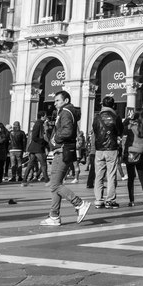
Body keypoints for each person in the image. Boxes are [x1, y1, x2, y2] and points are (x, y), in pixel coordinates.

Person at [38, 90, 92, 226]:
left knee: (55, 184)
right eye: (55, 100)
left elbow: (67, 131)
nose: (55, 103)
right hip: (64, 150)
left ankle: (79, 203)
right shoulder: (67, 112)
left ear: (66, 100)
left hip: (62, 151)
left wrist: (55, 138)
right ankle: (54, 216)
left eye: (58, 100)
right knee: (56, 184)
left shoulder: (66, 112)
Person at [92, 95, 123, 207]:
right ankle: (110, 200)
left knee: (99, 175)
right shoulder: (116, 117)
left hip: (99, 149)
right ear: (113, 105)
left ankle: (98, 200)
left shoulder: (97, 117)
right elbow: (120, 131)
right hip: (111, 148)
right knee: (111, 175)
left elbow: (95, 130)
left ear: (103, 105)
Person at [123, 107, 143, 206]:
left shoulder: (131, 127)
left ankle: (132, 201)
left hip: (131, 152)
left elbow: (123, 127)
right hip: (141, 153)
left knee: (131, 178)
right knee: (142, 177)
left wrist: (129, 119)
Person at [25, 115, 49, 184]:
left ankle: (24, 179)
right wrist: (43, 142)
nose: (45, 117)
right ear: (41, 117)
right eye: (44, 116)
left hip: (34, 147)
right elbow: (34, 137)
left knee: (30, 164)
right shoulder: (38, 124)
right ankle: (46, 180)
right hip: (37, 147)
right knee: (43, 164)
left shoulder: (40, 124)